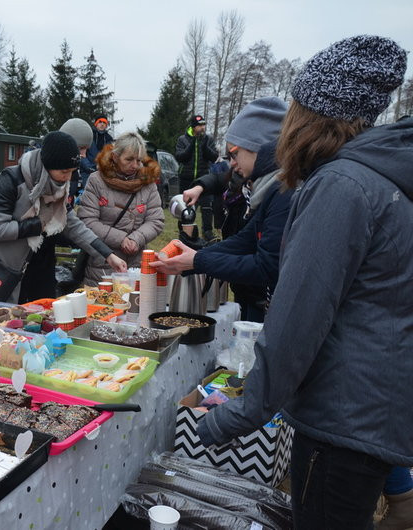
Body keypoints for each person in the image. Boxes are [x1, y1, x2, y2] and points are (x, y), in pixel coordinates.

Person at [195, 35, 413, 530]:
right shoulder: (380, 179)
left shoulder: (342, 186)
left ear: (309, 114)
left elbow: (297, 321)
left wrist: (236, 415)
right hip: (371, 406)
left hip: (343, 417)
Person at [154, 97, 291, 322]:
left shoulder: (285, 191)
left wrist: (197, 261)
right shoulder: (269, 188)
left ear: (260, 148)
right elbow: (245, 240)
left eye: (234, 154)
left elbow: (265, 266)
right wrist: (197, 257)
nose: (231, 163)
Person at [0, 131, 127, 304]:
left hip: (38, 265)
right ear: (47, 166)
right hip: (1, 267)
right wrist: (38, 224)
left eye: (72, 172)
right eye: (64, 171)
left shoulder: (59, 189)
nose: (68, 178)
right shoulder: (10, 180)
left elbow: (75, 226)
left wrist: (108, 255)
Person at [78, 132, 164, 284]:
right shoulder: (96, 180)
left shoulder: (148, 183)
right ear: (115, 157)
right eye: (129, 159)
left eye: (139, 160)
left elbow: (156, 220)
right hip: (102, 266)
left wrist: (136, 238)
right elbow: (87, 221)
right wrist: (121, 239)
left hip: (136, 267)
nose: (135, 165)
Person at [175, 114, 218, 240]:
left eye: (203, 124)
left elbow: (214, 157)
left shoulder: (208, 139)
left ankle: (208, 233)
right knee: (186, 207)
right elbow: (180, 157)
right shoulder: (183, 139)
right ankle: (185, 232)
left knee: (207, 207)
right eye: (199, 125)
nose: (202, 127)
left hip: (204, 178)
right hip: (187, 179)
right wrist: (193, 143)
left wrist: (204, 146)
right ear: (193, 127)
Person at [59, 118, 95, 205]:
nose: (84, 154)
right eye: (81, 148)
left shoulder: (74, 166)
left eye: (86, 149)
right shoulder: (55, 170)